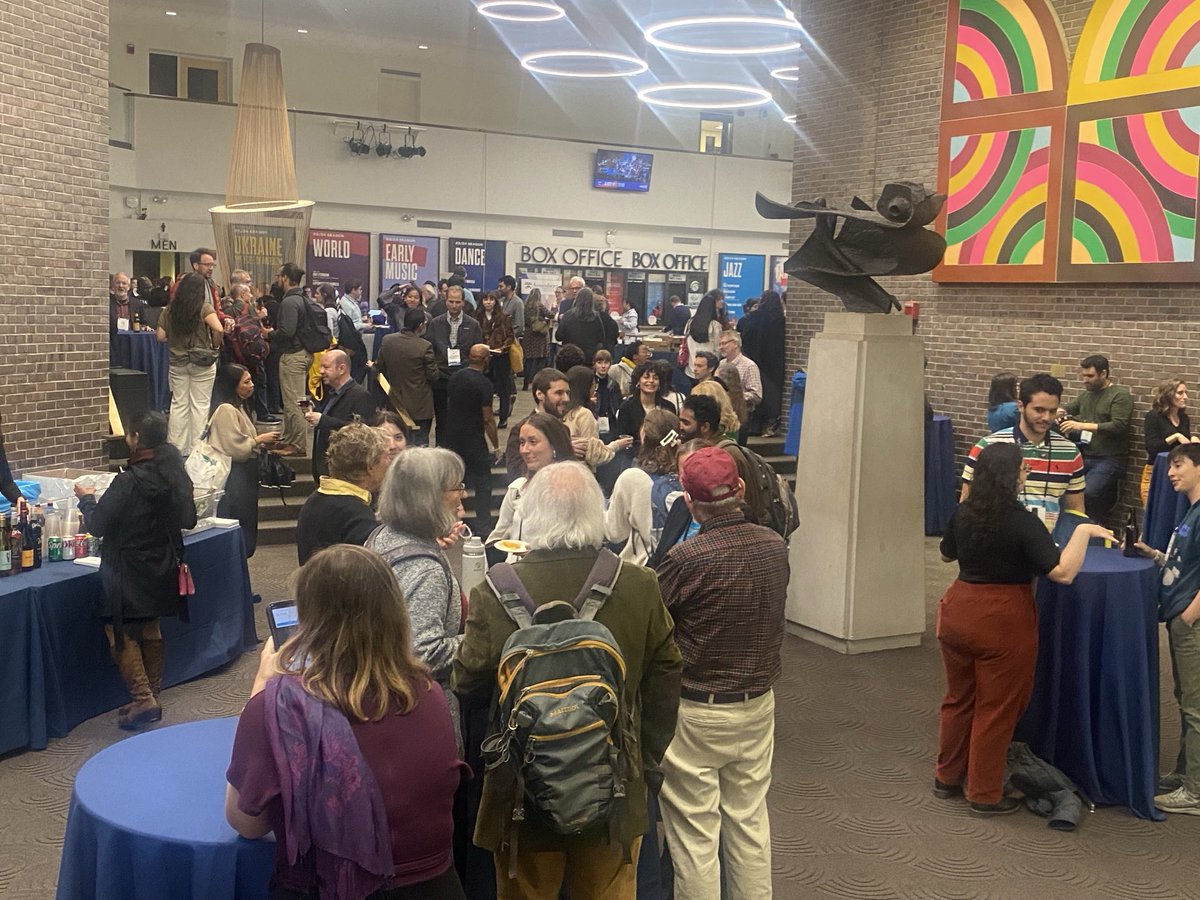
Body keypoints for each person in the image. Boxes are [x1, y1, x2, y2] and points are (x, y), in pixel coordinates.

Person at [453, 461, 682, 897]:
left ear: (532, 515)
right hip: (614, 792)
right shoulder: (638, 584)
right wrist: (643, 758)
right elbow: (667, 674)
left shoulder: (493, 589)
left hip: (524, 801)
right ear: (599, 512)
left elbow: (466, 683)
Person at [226, 544, 467, 899]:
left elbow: (245, 823)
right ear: (396, 612)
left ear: (306, 621)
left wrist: (262, 687)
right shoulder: (428, 694)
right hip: (437, 888)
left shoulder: (277, 709)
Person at [936, 442, 1113, 815]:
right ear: (1010, 476)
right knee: (996, 709)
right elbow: (1062, 573)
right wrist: (1084, 531)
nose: (1025, 475)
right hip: (1002, 618)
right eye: (1022, 469)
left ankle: (947, 778)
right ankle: (984, 795)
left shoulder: (965, 511)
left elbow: (947, 554)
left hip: (957, 610)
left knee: (958, 699)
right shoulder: (1022, 522)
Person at [654, 445, 788, 898]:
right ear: (742, 490)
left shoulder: (686, 561)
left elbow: (653, 622)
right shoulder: (776, 548)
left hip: (696, 711)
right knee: (749, 823)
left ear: (689, 502)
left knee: (695, 836)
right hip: (758, 706)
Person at [74, 411, 197, 729]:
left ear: (136, 439)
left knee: (121, 632)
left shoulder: (127, 481)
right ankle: (151, 696)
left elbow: (97, 525)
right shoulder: (174, 473)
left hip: (127, 572)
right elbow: (188, 520)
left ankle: (143, 700)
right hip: (162, 567)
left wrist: (86, 500)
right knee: (150, 628)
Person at [368, 448, 469, 747]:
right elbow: (423, 654)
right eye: (457, 487)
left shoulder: (382, 536)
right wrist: (481, 638)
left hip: (381, 704)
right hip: (420, 718)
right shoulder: (423, 568)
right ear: (430, 497)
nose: (463, 494)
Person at [1131, 445, 1200, 814]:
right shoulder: (1191, 512)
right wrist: (1153, 554)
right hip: (1179, 614)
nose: (1171, 472)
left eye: (1179, 465)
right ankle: (1187, 774)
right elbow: (1183, 561)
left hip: (1190, 619)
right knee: (1187, 700)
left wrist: (1189, 615)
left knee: (1195, 706)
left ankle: (1196, 791)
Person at [961, 373, 1085, 533]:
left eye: (1052, 411)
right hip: (997, 542)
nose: (1046, 417)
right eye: (1039, 410)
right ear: (1020, 406)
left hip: (1048, 547)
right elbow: (967, 500)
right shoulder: (987, 446)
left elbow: (1075, 508)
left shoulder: (1070, 452)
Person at [206, 363, 279, 557]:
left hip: (245, 475)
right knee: (241, 524)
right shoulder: (226, 410)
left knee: (246, 524)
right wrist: (258, 440)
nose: (252, 385)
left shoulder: (240, 407)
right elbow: (234, 448)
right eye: (246, 381)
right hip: (235, 477)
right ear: (233, 385)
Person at [295, 422, 389, 565]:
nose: (389, 464)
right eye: (386, 458)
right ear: (370, 467)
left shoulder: (315, 499)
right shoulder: (358, 516)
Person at [1058, 354, 1134, 521]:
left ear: (1104, 374)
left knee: (1088, 492)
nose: (1085, 380)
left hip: (1110, 458)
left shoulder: (1120, 395)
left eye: (1090, 376)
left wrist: (1081, 425)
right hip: (1085, 455)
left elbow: (1118, 426)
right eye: (1084, 375)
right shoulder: (1086, 395)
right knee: (1064, 488)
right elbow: (1069, 408)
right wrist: (1058, 411)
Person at [157, 271, 224, 453]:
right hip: (202, 362)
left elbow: (160, 336)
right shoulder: (204, 308)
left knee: (179, 404)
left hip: (177, 362)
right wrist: (215, 345)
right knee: (200, 405)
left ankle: (176, 448)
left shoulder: (170, 309)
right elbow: (218, 328)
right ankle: (197, 449)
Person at [606, 408, 682, 564]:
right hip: (681, 565)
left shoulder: (632, 478)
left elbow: (615, 533)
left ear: (644, 436)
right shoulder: (688, 471)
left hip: (644, 567)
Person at [487, 412, 574, 549]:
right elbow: (497, 537)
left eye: (533, 442)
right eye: (522, 443)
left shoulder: (575, 491)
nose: (524, 450)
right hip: (515, 568)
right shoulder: (517, 489)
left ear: (554, 446)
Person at [443, 344, 502, 532]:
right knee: (483, 481)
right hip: (474, 439)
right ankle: (483, 522)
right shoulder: (484, 384)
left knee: (454, 480)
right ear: (486, 360)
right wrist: (496, 445)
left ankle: (451, 519)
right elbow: (488, 418)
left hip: (452, 436)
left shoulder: (455, 378)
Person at [305, 348, 378, 480]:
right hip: (326, 469)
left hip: (345, 472)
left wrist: (323, 420)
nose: (321, 371)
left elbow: (360, 432)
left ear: (342, 369)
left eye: (326, 367)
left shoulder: (360, 396)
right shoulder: (332, 392)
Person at [269, 262, 317, 458]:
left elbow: (287, 331)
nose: (278, 279)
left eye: (280, 276)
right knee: (294, 400)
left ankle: (297, 444)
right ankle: (290, 438)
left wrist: (269, 334)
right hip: (304, 353)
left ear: (286, 278)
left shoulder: (289, 302)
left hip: (294, 355)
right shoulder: (302, 299)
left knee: (293, 402)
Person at [374, 307, 439, 446]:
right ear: (421, 325)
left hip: (394, 402)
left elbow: (379, 368)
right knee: (419, 449)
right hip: (420, 406)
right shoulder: (425, 346)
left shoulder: (388, 341)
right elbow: (433, 375)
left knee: (396, 444)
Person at [428, 285, 484, 445]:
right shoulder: (435, 323)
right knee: (442, 420)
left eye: (457, 302)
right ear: (446, 302)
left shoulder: (473, 325)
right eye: (451, 301)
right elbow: (429, 349)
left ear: (463, 303)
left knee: (464, 419)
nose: (454, 305)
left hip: (464, 377)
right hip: (441, 379)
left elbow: (478, 350)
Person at [504, 368, 571, 478]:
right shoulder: (520, 429)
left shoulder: (563, 429)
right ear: (540, 394)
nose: (566, 399)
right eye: (559, 393)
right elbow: (515, 473)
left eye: (567, 393)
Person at [562, 365, 632, 469]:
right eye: (594, 385)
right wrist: (617, 445)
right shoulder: (584, 414)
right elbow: (594, 455)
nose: (595, 388)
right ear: (586, 387)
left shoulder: (562, 411)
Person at [739, 290, 785, 437]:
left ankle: (754, 426)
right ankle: (769, 424)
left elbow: (746, 337)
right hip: (775, 362)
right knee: (772, 393)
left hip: (756, 360)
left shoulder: (755, 318)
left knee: (756, 390)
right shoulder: (781, 321)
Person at [1143, 379, 1192, 503]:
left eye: (1186, 393)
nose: (1185, 397)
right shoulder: (1154, 416)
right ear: (1168, 395)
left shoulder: (1184, 418)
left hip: (1179, 472)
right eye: (1180, 393)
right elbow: (1152, 447)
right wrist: (1174, 437)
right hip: (1157, 470)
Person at [616, 362, 677, 457]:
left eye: (655, 378)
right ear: (638, 382)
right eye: (646, 377)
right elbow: (623, 438)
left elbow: (674, 435)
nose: (651, 381)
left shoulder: (669, 407)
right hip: (634, 457)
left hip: (665, 457)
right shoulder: (626, 407)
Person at [476, 290, 516, 427]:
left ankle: (503, 418)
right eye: (485, 299)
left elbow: (511, 336)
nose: (488, 302)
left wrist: (503, 348)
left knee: (503, 389)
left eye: (491, 299)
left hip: (501, 357)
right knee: (484, 388)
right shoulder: (476, 317)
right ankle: (484, 416)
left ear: (496, 301)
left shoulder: (504, 317)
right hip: (483, 357)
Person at [716, 330, 762, 417]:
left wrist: (735, 397)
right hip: (723, 413)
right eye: (720, 344)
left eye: (724, 343)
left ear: (735, 344)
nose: (721, 347)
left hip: (742, 415)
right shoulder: (721, 364)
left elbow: (756, 396)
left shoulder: (749, 366)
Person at [684, 290, 725, 384]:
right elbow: (718, 348)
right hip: (708, 369)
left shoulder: (690, 322)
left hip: (691, 367)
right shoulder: (715, 325)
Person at [556, 287, 608, 361]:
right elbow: (602, 338)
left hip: (570, 357)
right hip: (589, 357)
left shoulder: (568, 315)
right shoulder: (596, 317)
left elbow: (558, 336)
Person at [521, 288, 550, 389]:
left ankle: (525, 384)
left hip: (528, 335)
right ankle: (537, 383)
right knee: (540, 360)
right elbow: (550, 314)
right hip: (540, 337)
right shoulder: (540, 306)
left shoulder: (525, 306)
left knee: (528, 360)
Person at [593, 349, 623, 428]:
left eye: (606, 363)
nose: (603, 366)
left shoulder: (614, 384)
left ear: (610, 364)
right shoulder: (590, 383)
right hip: (594, 420)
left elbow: (619, 404)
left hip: (611, 422)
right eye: (599, 363)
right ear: (594, 364)